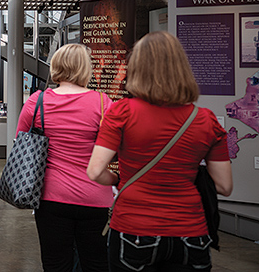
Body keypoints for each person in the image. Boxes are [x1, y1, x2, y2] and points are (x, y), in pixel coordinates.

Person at [87, 31, 233, 272]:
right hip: (190, 232)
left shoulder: (122, 112)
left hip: (133, 228)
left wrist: (118, 179)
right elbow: (225, 187)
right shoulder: (205, 120)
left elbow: (95, 171)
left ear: (137, 68)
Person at [16, 44, 113, 272]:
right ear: (85, 68)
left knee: (55, 264)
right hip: (95, 197)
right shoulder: (103, 103)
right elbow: (115, 148)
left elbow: (21, 142)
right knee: (96, 263)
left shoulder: (36, 102)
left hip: (51, 197)